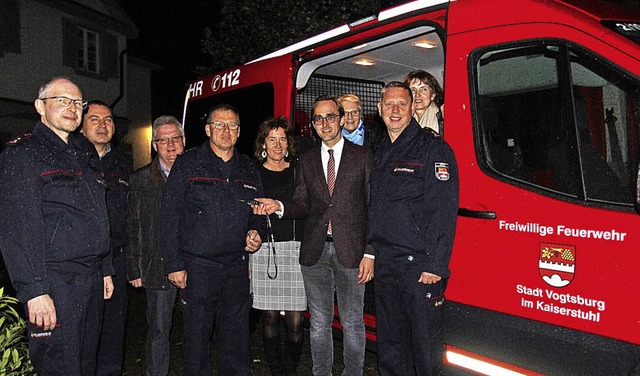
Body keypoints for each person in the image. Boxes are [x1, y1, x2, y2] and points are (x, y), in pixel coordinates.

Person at [0, 76, 113, 375]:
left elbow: (97, 215)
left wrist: (105, 268)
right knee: (60, 366)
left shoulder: (84, 153)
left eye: (77, 102)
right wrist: (34, 290)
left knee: (86, 365)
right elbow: (16, 228)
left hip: (90, 278)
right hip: (54, 282)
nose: (71, 108)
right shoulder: (23, 154)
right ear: (40, 106)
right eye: (61, 100)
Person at [256, 95, 374, 376]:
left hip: (352, 252)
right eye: (319, 119)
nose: (325, 123)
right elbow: (303, 203)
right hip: (315, 252)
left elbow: (373, 206)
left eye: (330, 116)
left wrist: (370, 251)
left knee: (353, 323)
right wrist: (279, 206)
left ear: (341, 118)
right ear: (312, 125)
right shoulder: (306, 160)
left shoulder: (363, 156)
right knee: (319, 323)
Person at [161, 103, 265, 375]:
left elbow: (257, 213)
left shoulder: (248, 168)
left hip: (236, 268)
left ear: (239, 131)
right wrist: (174, 263)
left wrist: (257, 233)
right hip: (199, 268)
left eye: (232, 125)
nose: (225, 130)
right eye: (219, 124)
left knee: (236, 340)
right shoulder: (187, 163)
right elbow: (170, 215)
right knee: (197, 340)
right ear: (208, 129)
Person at [369, 81, 458, 375]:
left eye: (402, 104)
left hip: (419, 268)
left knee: (424, 350)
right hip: (386, 265)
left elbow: (443, 211)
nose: (395, 110)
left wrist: (435, 265)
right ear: (380, 109)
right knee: (391, 347)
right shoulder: (380, 151)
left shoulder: (432, 148)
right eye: (389, 105)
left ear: (412, 108)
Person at [125, 115, 185, 375]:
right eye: (163, 140)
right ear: (154, 145)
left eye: (176, 139)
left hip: (194, 263)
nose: (170, 145)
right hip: (158, 264)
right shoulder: (141, 180)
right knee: (159, 330)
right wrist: (135, 268)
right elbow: (133, 225)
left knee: (199, 327)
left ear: (184, 141)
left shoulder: (197, 174)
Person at [250, 116, 306, 375]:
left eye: (282, 139)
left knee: (296, 322)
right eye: (271, 139)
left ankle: (290, 369)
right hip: (264, 250)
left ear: (289, 143)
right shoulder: (253, 172)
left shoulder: (299, 170)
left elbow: (307, 207)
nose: (277, 144)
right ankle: (276, 370)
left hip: (295, 251)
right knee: (269, 317)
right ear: (263, 143)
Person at [80, 100, 132, 376]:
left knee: (114, 330)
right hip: (82, 262)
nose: (103, 125)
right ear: (81, 124)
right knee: (85, 333)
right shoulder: (74, 159)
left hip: (117, 259)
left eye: (109, 120)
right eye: (95, 119)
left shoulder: (123, 164)